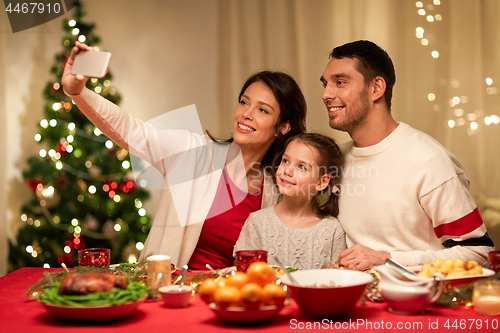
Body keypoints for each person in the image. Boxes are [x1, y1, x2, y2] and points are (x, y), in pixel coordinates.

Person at [62, 41, 307, 269]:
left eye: (262, 110)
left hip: (226, 303)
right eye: (244, 102)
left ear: (283, 127)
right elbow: (130, 129)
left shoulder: (276, 190)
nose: (246, 114)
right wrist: (77, 92)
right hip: (167, 293)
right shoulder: (192, 153)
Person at [320, 40, 494, 270]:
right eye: (325, 84)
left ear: (376, 88)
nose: (325, 94)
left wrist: (388, 259)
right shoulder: (334, 159)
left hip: (418, 301)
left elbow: (480, 253)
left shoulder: (428, 161)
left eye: (340, 82)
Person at [234, 133, 346, 270]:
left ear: (322, 182)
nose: (287, 171)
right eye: (285, 161)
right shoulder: (257, 222)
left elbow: (336, 282)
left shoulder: (332, 230)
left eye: (301, 167)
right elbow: (244, 276)